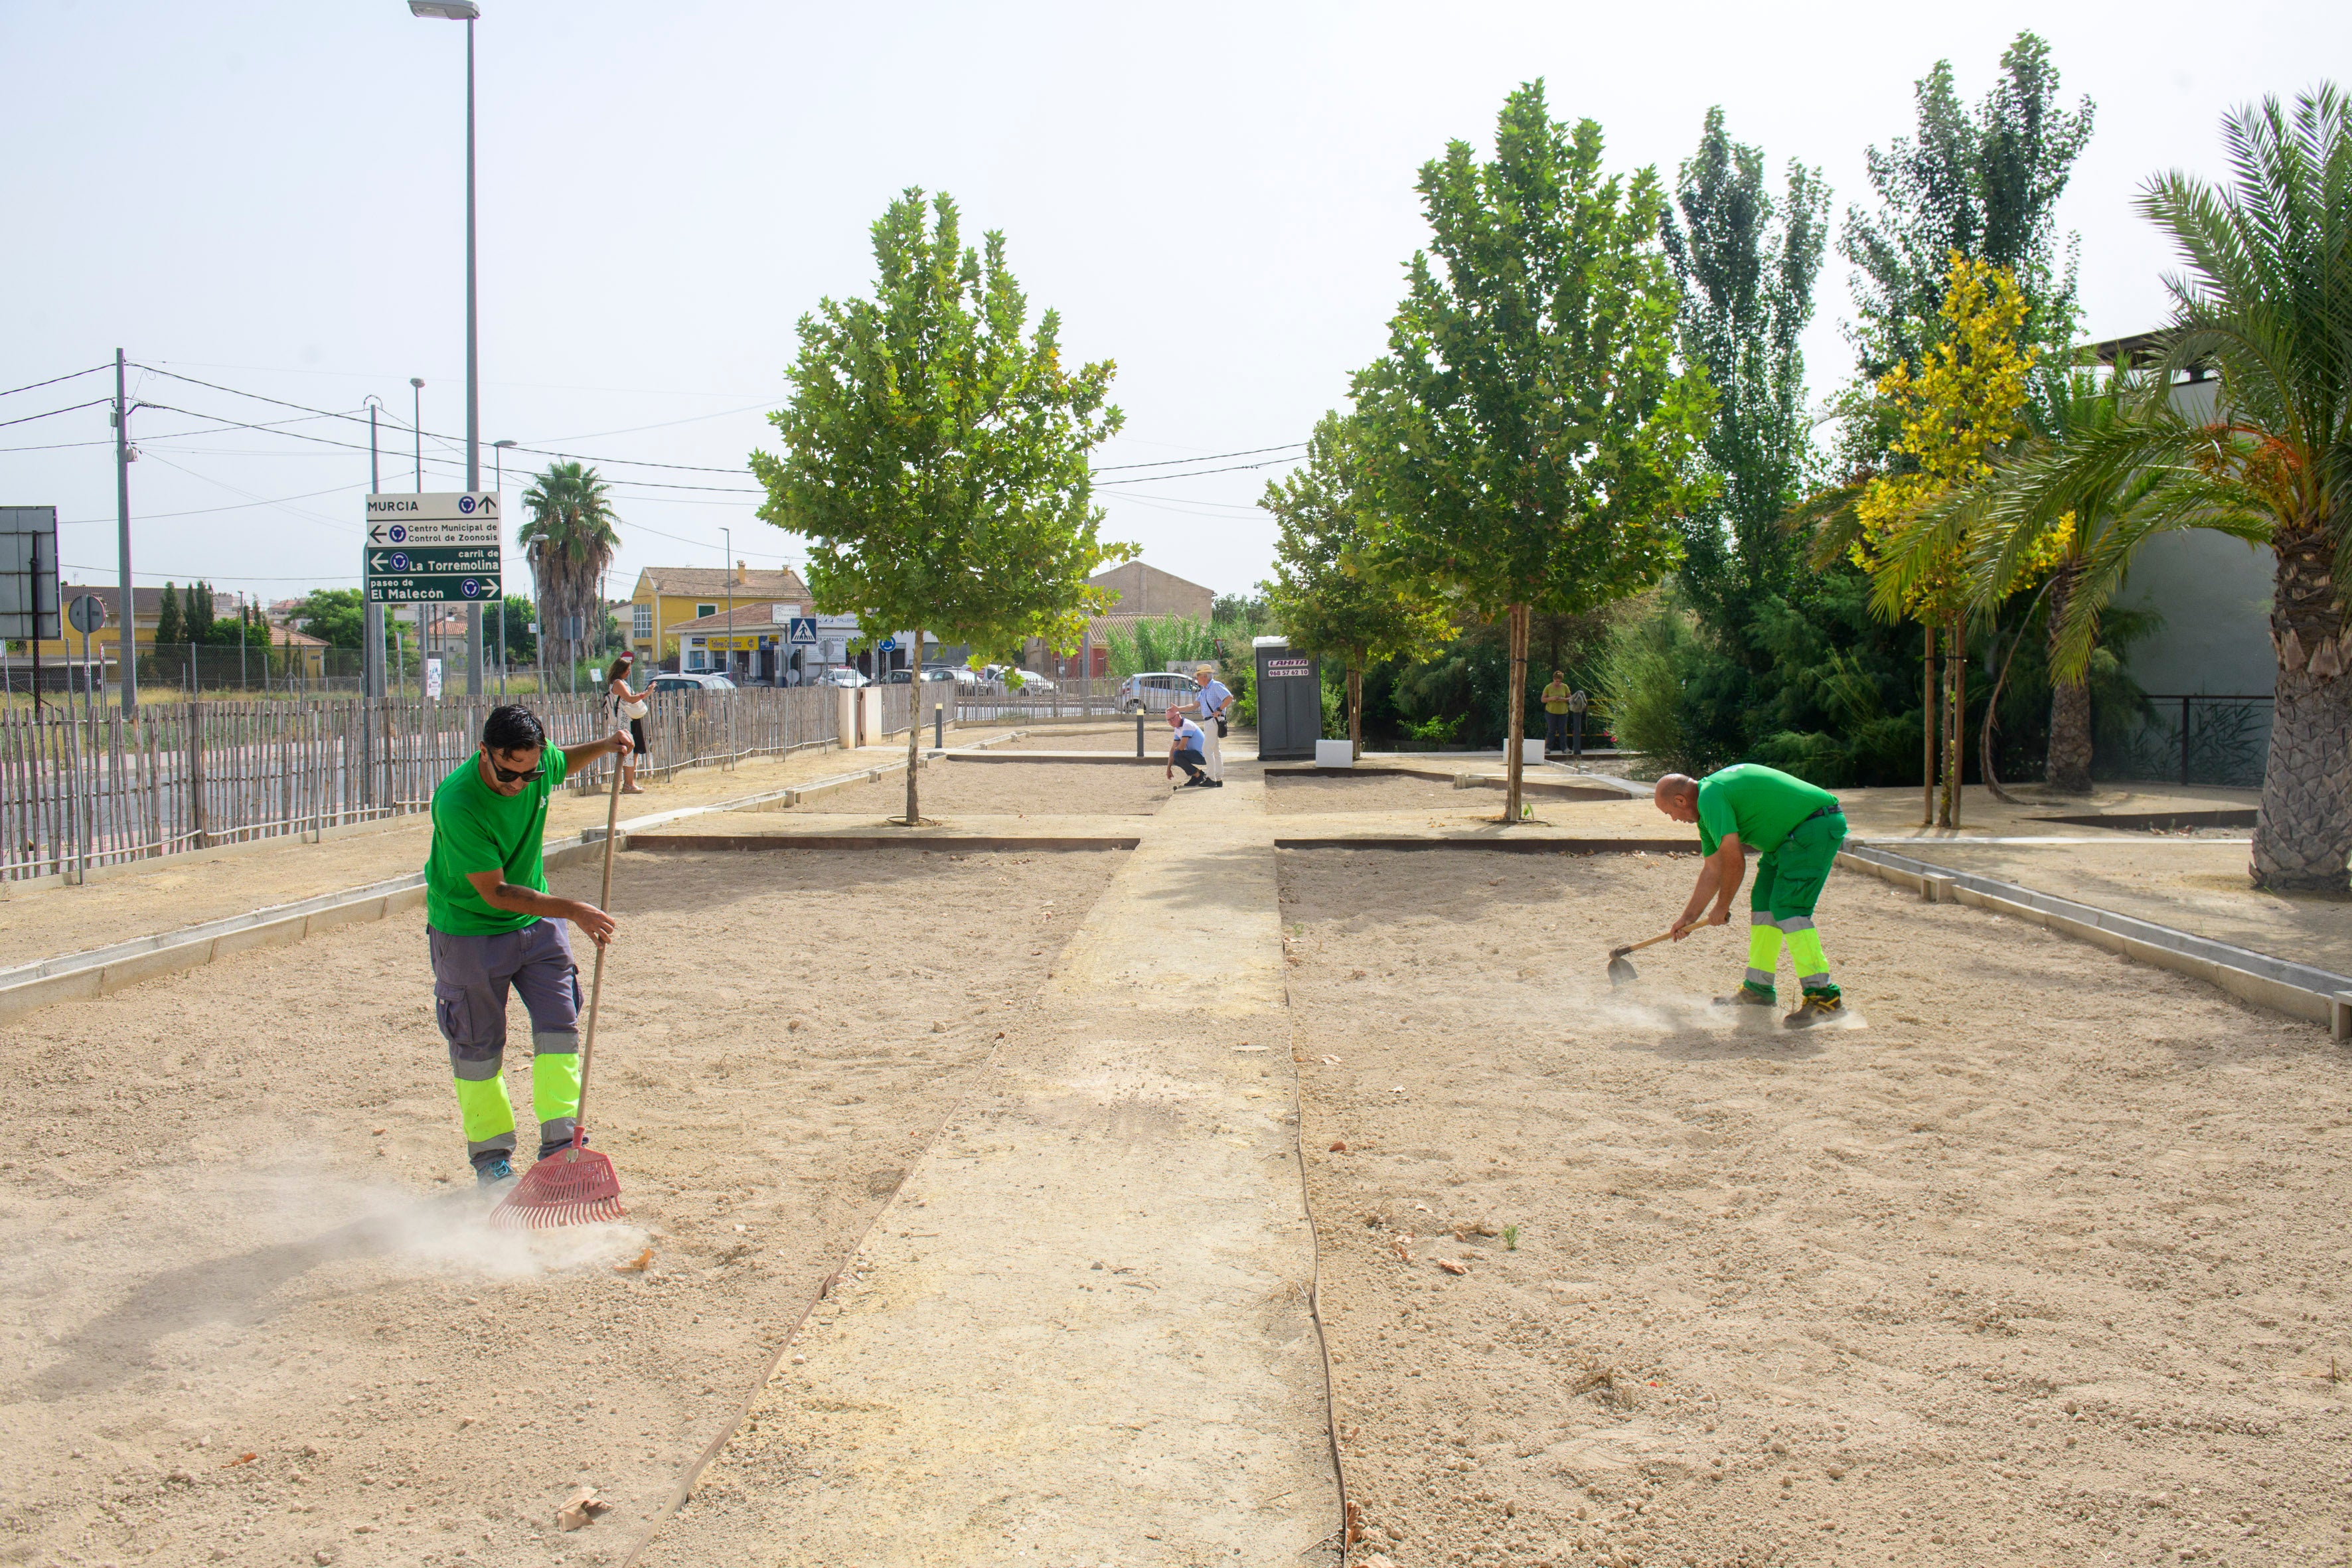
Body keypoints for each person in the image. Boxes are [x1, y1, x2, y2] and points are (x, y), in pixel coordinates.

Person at [425, 704, 633, 1186]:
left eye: (529, 772)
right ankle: (491, 1160)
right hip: (470, 932)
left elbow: (562, 762)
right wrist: (573, 910)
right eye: (507, 772)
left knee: (560, 1029)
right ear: (485, 752)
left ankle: (562, 1146)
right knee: (478, 1049)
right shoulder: (458, 803)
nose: (519, 783)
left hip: (537, 927)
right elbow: (495, 893)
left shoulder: (537, 766)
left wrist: (605, 747)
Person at [1652, 763, 1847, 1028]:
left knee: (1788, 907)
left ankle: (1825, 998)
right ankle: (1759, 988)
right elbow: (1713, 869)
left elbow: (1735, 860)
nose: (1674, 819)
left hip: (1814, 825)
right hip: (1786, 840)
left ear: (1680, 799)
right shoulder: (1707, 810)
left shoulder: (1711, 796)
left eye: (1670, 813)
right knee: (1764, 905)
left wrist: (1722, 906)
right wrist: (1688, 918)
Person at [606, 651, 651, 794]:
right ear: (621, 670)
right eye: (627, 670)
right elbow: (630, 699)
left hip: (631, 718)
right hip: (626, 720)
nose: (628, 673)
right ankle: (628, 784)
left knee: (635, 750)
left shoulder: (622, 682)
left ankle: (629, 782)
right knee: (629, 751)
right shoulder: (618, 683)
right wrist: (647, 693)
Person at [1191, 663, 1233, 783]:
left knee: (1207, 749)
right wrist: (1178, 709)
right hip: (1211, 721)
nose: (1197, 679)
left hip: (1212, 721)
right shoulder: (1205, 690)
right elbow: (1194, 705)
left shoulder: (1215, 686)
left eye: (1198, 676)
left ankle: (1211, 778)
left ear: (1204, 676)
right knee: (1215, 750)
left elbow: (1229, 697)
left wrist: (1219, 710)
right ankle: (1218, 777)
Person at [1165, 706, 1214, 788]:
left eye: (1172, 719)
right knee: (1174, 757)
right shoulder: (1178, 728)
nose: (1171, 722)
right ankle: (1199, 774)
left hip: (1204, 756)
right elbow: (1173, 748)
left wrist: (1175, 751)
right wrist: (1168, 768)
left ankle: (1198, 777)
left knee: (1177, 754)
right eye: (1169, 720)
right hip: (1197, 754)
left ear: (1178, 716)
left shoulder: (1187, 725)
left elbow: (1181, 748)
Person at [1540, 670, 1573, 756]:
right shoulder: (1548, 687)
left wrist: (1564, 699)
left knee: (1562, 731)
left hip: (1563, 712)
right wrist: (1552, 698)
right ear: (1554, 679)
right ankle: (1548, 748)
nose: (1558, 683)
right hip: (1551, 712)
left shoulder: (1565, 687)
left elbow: (1570, 698)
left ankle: (1564, 748)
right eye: (1556, 681)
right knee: (1551, 730)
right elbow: (1543, 700)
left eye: (1560, 681)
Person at [1568, 686, 1589, 757]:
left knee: (1577, 729)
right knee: (1576, 729)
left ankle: (1577, 750)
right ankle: (1577, 750)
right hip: (1577, 713)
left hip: (1577, 713)